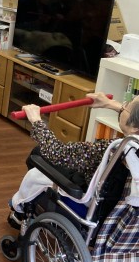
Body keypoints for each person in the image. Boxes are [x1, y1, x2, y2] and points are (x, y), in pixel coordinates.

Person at [8, 93, 139, 228]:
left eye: (127, 105)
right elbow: (133, 119)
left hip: (87, 194)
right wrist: (110, 104)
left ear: (135, 127)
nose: (122, 106)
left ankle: (22, 209)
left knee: (37, 154)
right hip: (115, 207)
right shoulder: (134, 151)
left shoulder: (113, 149)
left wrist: (36, 120)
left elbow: (57, 152)